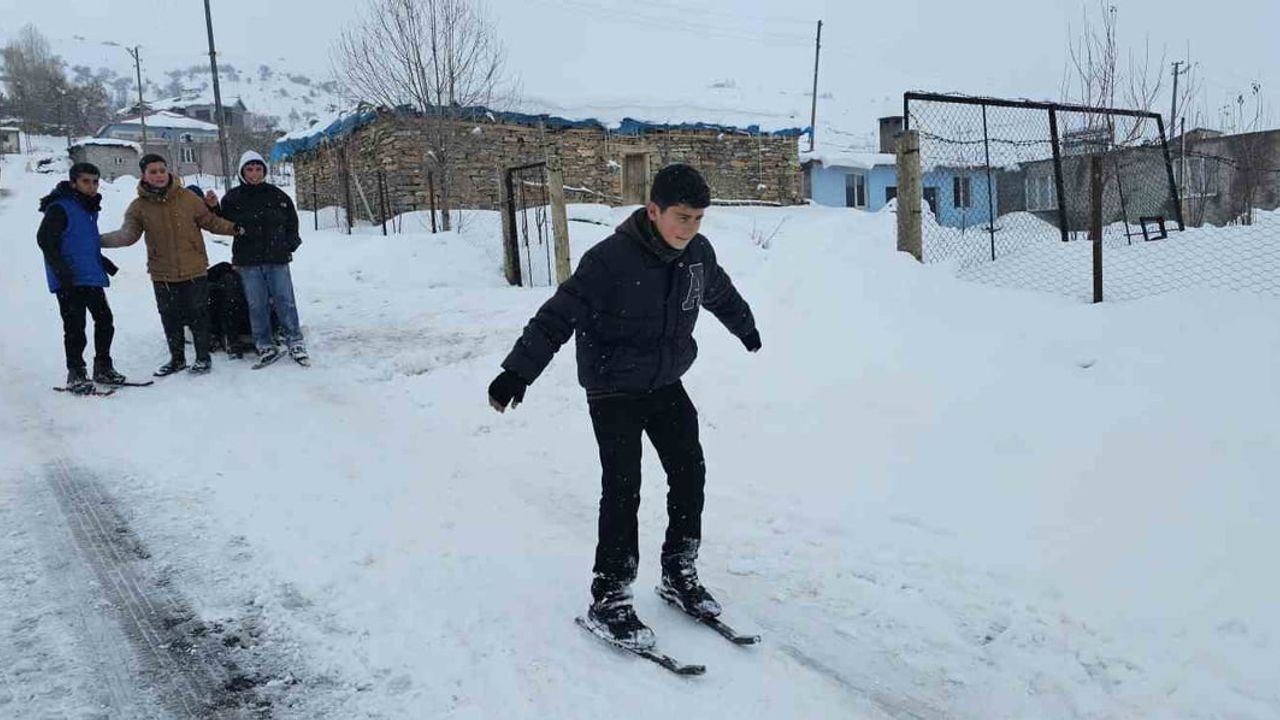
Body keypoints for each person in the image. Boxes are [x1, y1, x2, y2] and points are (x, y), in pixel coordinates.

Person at [487, 164, 761, 650]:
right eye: (681, 217)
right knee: (622, 486)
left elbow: (719, 292)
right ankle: (610, 594)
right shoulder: (609, 260)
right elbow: (557, 316)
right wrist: (517, 372)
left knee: (690, 471)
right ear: (653, 211)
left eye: (698, 218)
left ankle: (679, 571)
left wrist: (746, 327)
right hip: (612, 385)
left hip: (664, 381)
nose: (689, 228)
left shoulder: (697, 254)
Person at [100, 154, 240, 376]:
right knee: (170, 316)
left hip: (194, 268)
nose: (159, 175)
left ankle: (203, 358)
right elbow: (127, 235)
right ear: (143, 175)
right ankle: (177, 359)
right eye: (153, 172)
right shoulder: (139, 207)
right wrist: (98, 240)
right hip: (162, 272)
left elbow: (211, 222)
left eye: (162, 170)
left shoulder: (188, 198)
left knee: (199, 314)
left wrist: (236, 229)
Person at [208, 151, 307, 368]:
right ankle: (264, 344)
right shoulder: (233, 198)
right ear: (242, 172)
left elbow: (291, 222)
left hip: (277, 259)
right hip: (248, 262)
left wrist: (290, 244)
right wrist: (213, 207)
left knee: (285, 301)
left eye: (258, 169)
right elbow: (222, 223)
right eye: (250, 169)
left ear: (264, 171)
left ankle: (295, 340)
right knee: (257, 304)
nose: (254, 174)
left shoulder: (278, 196)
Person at [36, 162, 125, 393]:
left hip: (90, 276)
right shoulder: (60, 207)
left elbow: (81, 242)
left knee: (105, 320)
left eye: (95, 182)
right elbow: (45, 240)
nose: (92, 186)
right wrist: (62, 272)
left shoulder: (89, 208)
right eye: (86, 181)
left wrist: (103, 262)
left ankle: (103, 367)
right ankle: (76, 373)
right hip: (68, 280)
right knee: (75, 327)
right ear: (73, 183)